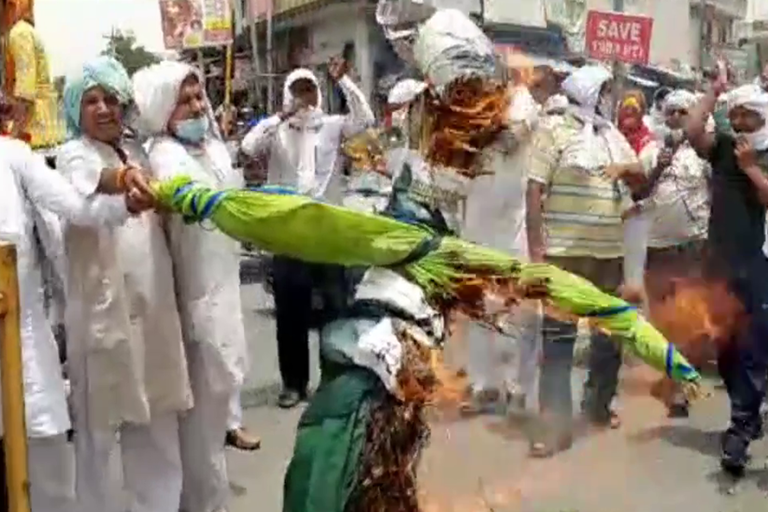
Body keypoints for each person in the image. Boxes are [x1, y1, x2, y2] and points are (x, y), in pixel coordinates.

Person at [0, 110, 154, 512]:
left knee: (45, 469)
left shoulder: (12, 157)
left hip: (23, 344)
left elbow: (78, 209)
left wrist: (126, 203)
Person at [58, 56, 192, 512]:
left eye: (111, 99)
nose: (103, 109)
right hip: (102, 313)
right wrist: (127, 181)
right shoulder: (74, 153)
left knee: (158, 421)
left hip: (151, 308)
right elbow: (95, 181)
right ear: (76, 110)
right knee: (99, 435)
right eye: (91, 101)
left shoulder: (137, 152)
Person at [132, 60, 248, 512]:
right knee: (197, 435)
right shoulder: (163, 157)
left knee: (213, 428)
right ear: (163, 110)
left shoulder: (212, 150)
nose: (199, 106)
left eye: (200, 97)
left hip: (225, 299)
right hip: (191, 308)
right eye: (186, 100)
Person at [526, 65, 645, 457]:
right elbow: (534, 190)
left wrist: (626, 167)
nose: (610, 98)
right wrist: (537, 253)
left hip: (608, 257)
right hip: (563, 255)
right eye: (605, 91)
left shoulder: (611, 137)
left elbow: (639, 177)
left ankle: (597, 406)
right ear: (589, 92)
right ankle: (553, 426)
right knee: (558, 343)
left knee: (608, 338)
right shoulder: (553, 129)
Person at [241, 59, 375, 409]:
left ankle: (333, 382)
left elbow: (365, 118)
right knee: (290, 312)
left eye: (310, 90)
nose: (305, 98)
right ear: (289, 94)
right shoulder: (276, 131)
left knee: (334, 308)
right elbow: (248, 147)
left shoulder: (331, 126)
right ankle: (293, 384)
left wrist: (342, 80)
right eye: (298, 91)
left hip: (326, 232)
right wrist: (281, 116)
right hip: (288, 232)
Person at [685, 82, 768, 477]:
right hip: (718, 262)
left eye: (745, 115)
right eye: (733, 114)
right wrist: (712, 93)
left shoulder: (764, 152)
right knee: (727, 345)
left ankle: (740, 430)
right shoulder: (722, 148)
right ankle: (747, 416)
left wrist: (752, 167)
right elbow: (693, 133)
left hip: (753, 263)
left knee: (751, 347)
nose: (737, 121)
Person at [462, 69, 542, 413]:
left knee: (519, 310)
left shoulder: (521, 100)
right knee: (478, 307)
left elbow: (511, 138)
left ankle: (518, 386)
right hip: (477, 226)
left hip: (511, 229)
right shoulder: (470, 109)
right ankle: (484, 386)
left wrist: (481, 123)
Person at [631, 89, 711, 418]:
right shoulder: (652, 151)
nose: (676, 117)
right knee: (664, 320)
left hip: (694, 246)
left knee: (690, 319)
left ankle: (680, 386)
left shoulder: (704, 153)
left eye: (683, 111)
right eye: (672, 111)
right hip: (659, 248)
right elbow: (638, 192)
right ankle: (672, 379)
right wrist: (657, 170)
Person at [2, 0, 65, 148]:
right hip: (41, 135)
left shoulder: (19, 34)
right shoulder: (22, 32)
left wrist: (11, 143)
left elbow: (25, 95)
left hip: (33, 139)